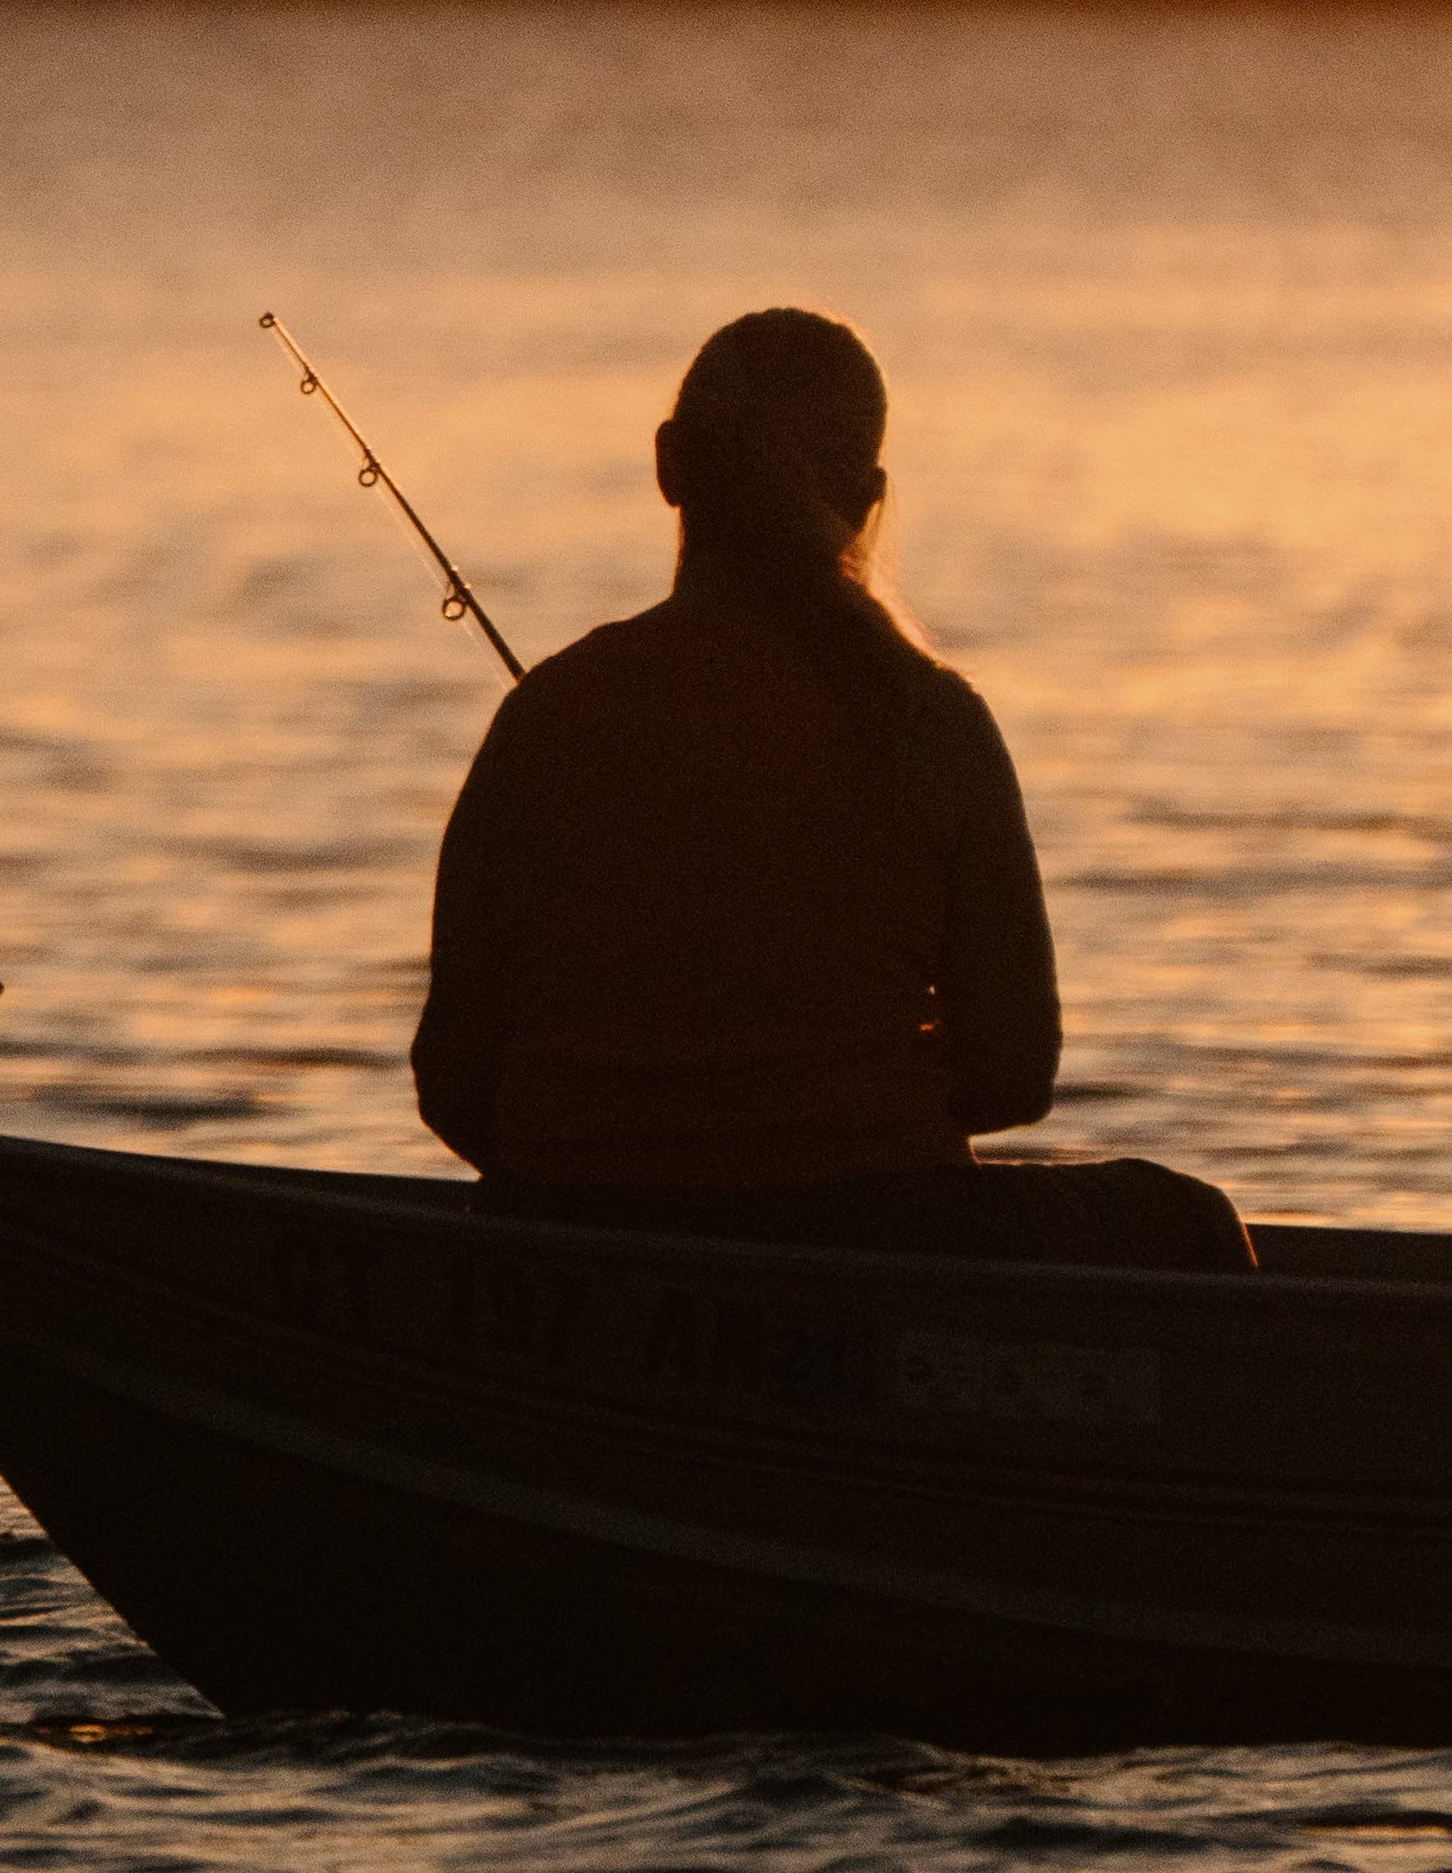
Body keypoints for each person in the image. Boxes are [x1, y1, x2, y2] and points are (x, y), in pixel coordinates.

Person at [411, 306, 1252, 1271]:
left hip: (565, 1233)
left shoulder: (545, 716)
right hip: (871, 1231)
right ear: (866, 495)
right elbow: (1014, 1073)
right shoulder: (934, 720)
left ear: (668, 464)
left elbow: (453, 1083)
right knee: (1188, 1219)